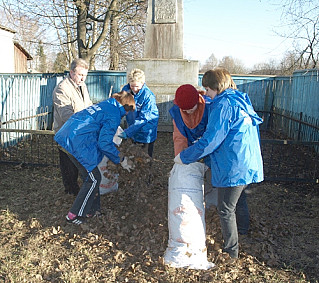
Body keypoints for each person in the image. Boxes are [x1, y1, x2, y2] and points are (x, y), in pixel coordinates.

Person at [174, 68, 264, 259]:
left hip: (233, 163)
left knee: (225, 209)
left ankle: (232, 252)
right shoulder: (238, 99)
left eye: (207, 89)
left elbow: (210, 140)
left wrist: (184, 156)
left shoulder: (223, 105)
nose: (205, 94)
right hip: (247, 161)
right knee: (239, 198)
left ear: (216, 87)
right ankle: (244, 230)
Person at [170, 84, 251, 236]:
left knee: (230, 191)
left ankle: (239, 228)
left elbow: (214, 139)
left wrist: (201, 157)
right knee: (206, 183)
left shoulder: (211, 106)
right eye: (184, 110)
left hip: (217, 153)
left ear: (197, 102)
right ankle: (205, 212)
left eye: (190, 108)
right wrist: (182, 158)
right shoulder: (177, 112)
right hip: (195, 151)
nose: (187, 112)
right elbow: (180, 138)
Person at [54, 91, 136, 225]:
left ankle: (93, 209)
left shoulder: (106, 105)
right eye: (128, 112)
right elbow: (104, 143)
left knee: (91, 178)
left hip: (67, 135)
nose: (127, 115)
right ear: (126, 107)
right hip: (76, 142)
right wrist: (121, 160)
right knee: (93, 179)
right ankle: (75, 215)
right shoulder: (114, 114)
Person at [52, 58, 93, 195]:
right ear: (71, 72)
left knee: (77, 162)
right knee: (68, 165)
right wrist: (86, 124)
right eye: (80, 75)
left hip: (79, 132)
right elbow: (67, 116)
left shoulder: (82, 86)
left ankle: (76, 189)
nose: (83, 78)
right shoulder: (62, 89)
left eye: (85, 75)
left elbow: (88, 105)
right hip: (66, 133)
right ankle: (70, 191)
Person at [120, 68, 159, 157]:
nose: (134, 89)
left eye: (137, 86)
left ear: (142, 83)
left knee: (145, 158)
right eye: (132, 86)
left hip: (145, 130)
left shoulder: (148, 96)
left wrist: (128, 132)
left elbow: (144, 118)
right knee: (133, 156)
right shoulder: (126, 91)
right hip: (132, 128)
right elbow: (120, 106)